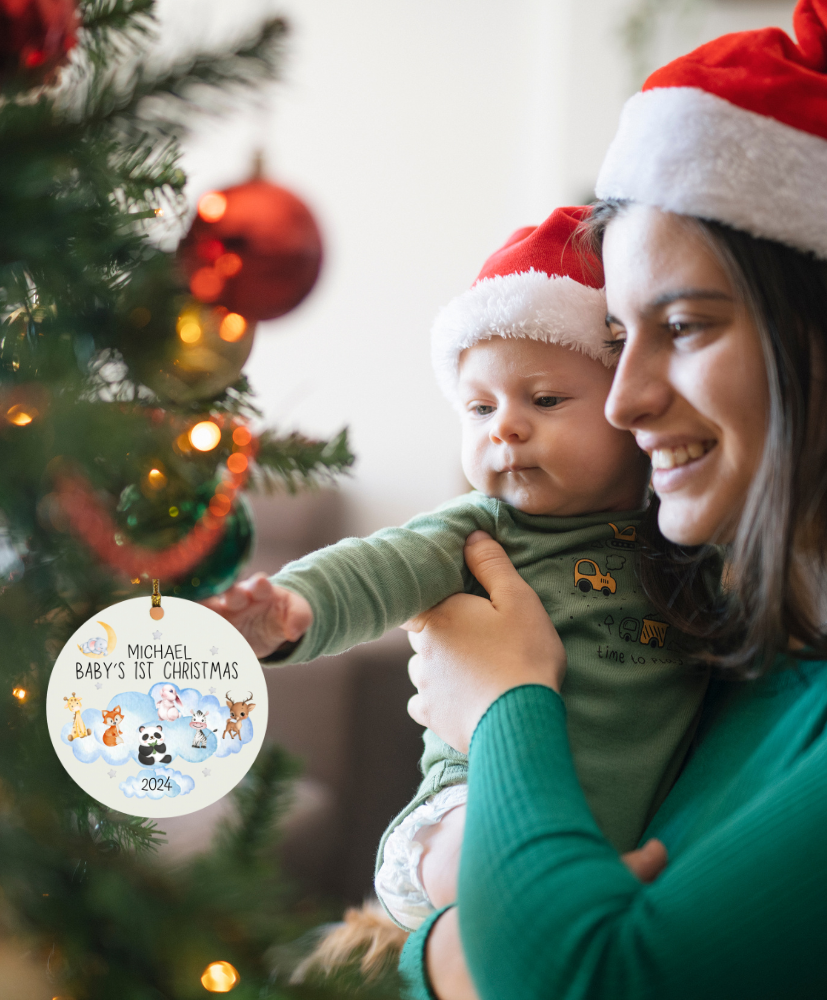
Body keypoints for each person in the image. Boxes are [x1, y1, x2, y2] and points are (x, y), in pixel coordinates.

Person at [400, 3, 827, 997]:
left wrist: (507, 699)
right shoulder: (716, 640)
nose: (627, 401)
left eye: (683, 325)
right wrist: (450, 928)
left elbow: (571, 978)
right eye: (618, 339)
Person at [205, 206, 709, 931]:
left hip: (624, 835)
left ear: (629, 409)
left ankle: (554, 906)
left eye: (544, 399)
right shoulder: (480, 528)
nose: (504, 426)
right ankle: (517, 896)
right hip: (468, 811)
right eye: (479, 407)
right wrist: (292, 608)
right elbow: (374, 569)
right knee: (473, 840)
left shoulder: (681, 540)